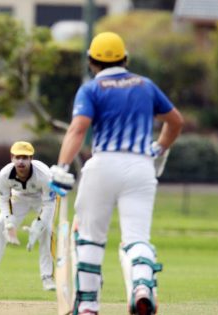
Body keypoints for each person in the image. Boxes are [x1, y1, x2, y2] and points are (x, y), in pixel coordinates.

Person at [50, 32, 184, 315]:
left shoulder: (91, 88)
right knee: (137, 238)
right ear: (126, 59)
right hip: (141, 168)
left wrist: (62, 167)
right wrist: (159, 148)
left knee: (89, 237)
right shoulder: (146, 85)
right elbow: (175, 121)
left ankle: (87, 305)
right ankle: (142, 285)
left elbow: (78, 129)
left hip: (103, 165)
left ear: (90, 61)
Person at [0, 141, 57, 291]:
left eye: (25, 157)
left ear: (31, 159)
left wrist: (38, 225)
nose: (21, 161)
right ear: (12, 158)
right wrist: (9, 223)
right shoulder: (5, 175)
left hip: (41, 199)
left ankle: (47, 277)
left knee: (47, 230)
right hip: (19, 198)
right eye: (17, 157)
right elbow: (4, 201)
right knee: (0, 224)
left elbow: (49, 204)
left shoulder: (44, 175)